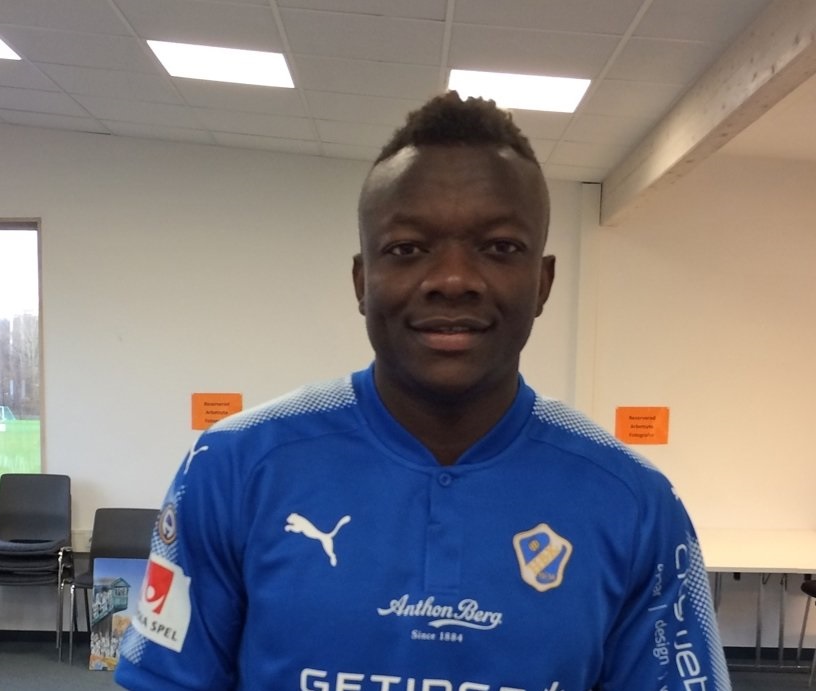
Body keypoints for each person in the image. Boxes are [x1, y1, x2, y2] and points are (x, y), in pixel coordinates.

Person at [115, 91, 729, 691]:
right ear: (362, 281)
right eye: (407, 249)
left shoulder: (636, 502)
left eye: (499, 248)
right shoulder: (231, 465)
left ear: (542, 282)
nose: (453, 279)